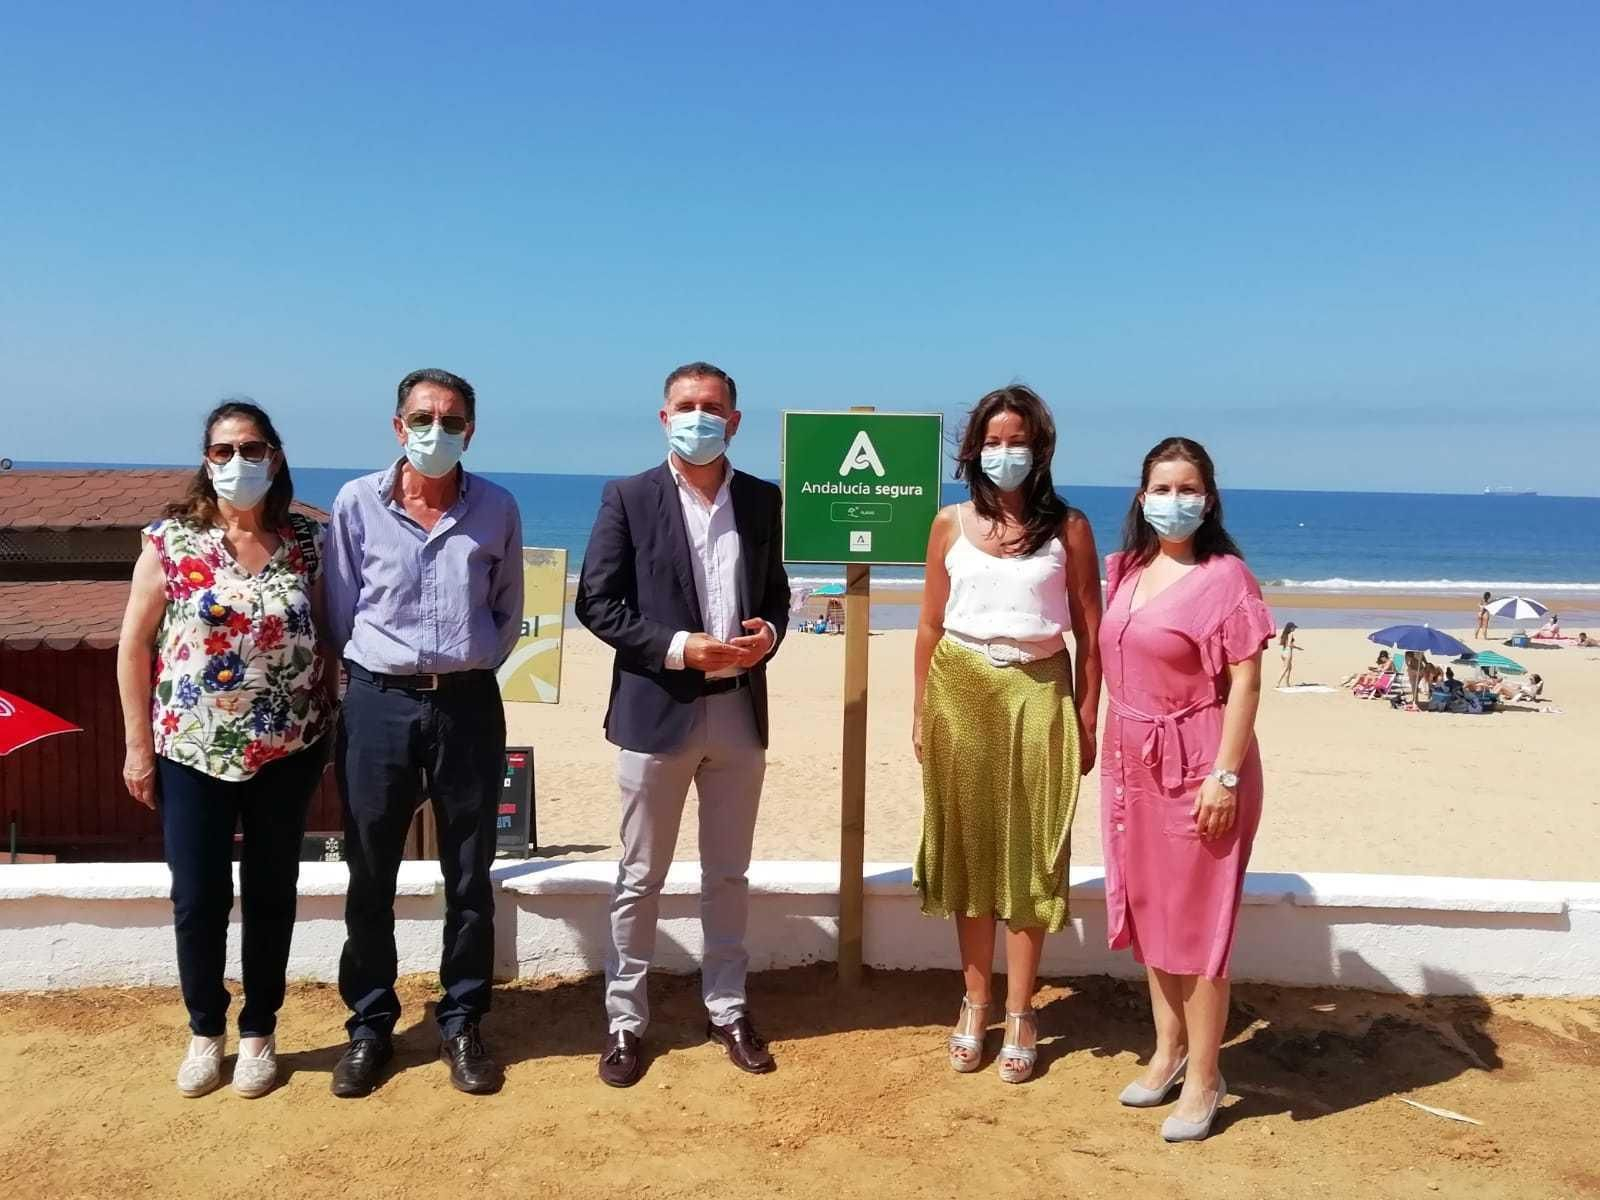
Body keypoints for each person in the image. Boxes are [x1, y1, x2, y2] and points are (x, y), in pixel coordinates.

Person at [575, 361, 789, 1088]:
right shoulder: (628, 497)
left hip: (738, 711)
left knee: (728, 874)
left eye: (713, 406)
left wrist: (768, 639)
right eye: (685, 405)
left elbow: (778, 597)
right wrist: (678, 648)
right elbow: (597, 602)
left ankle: (727, 1007)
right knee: (640, 876)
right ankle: (626, 1022)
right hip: (654, 711)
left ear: (735, 420)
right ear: (664, 417)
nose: (699, 417)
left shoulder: (761, 500)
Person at [116, 401, 335, 1099]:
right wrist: (136, 747)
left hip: (288, 749)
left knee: (272, 893)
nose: (237, 462)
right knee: (200, 897)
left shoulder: (306, 540)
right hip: (191, 748)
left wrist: (326, 711)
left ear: (275, 455)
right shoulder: (171, 540)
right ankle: (204, 1031)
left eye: (251, 447)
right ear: (205, 460)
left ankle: (260, 1033)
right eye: (222, 450)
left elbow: (326, 633)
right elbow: (134, 645)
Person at [322, 369, 523, 1097]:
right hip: (378, 702)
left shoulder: (497, 506)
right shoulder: (354, 504)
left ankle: (464, 1018)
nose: (435, 429)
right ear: (397, 425)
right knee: (371, 870)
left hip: (468, 703)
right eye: (421, 417)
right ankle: (371, 1025)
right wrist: (386, 674)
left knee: (468, 874)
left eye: (451, 419)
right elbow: (341, 610)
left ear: (471, 429)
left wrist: (464, 668)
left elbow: (507, 610)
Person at [912, 386, 1102, 1085]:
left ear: (1040, 448)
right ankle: (975, 1003)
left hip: (1040, 687)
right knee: (968, 848)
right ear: (973, 451)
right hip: (958, 686)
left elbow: (1089, 630)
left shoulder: (1070, 528)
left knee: (1029, 852)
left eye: (1015, 440)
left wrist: (1086, 716)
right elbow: (929, 625)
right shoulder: (947, 524)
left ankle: (1023, 1011)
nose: (1004, 453)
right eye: (992, 442)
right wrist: (916, 709)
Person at [1099, 437, 1274, 1142]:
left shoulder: (1228, 577)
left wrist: (1224, 776)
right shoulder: (1128, 569)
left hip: (1200, 763)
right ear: (1142, 498)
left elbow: (1246, 683)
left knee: (1198, 928)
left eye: (1188, 488)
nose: (1175, 501)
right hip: (1132, 765)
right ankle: (1168, 1051)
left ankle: (1206, 1077)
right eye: (1162, 488)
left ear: (1209, 498)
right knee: (1152, 912)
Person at [1274, 622, 1300, 688]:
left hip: (1283, 652)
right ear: (1290, 628)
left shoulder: (1284, 634)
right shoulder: (1291, 634)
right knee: (1285, 668)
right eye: (1294, 628)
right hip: (1288, 652)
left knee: (1289, 668)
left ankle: (1287, 683)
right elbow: (1290, 645)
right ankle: (1278, 682)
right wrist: (1297, 648)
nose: (1294, 629)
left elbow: (1279, 642)